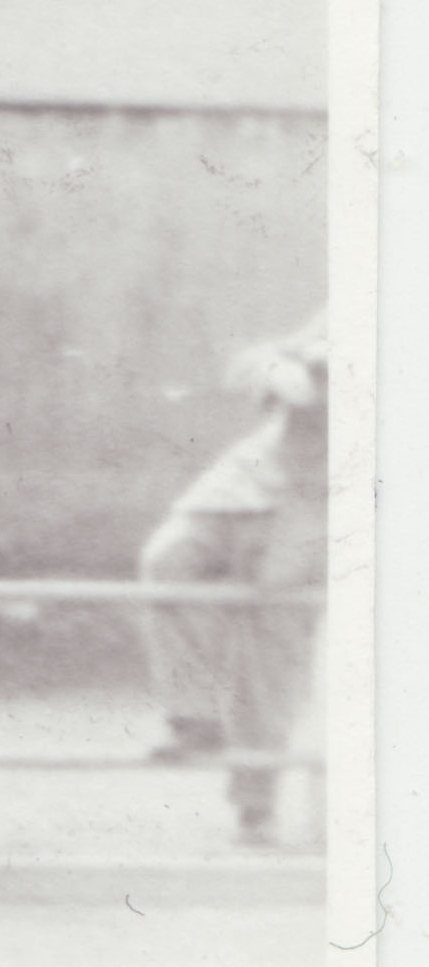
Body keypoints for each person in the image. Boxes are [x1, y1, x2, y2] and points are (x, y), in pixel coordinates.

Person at [135, 310, 323, 846]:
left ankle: (255, 808)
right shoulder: (356, 304)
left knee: (268, 655)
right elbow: (252, 359)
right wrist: (277, 369)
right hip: (251, 478)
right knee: (166, 561)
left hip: (326, 501)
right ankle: (196, 716)